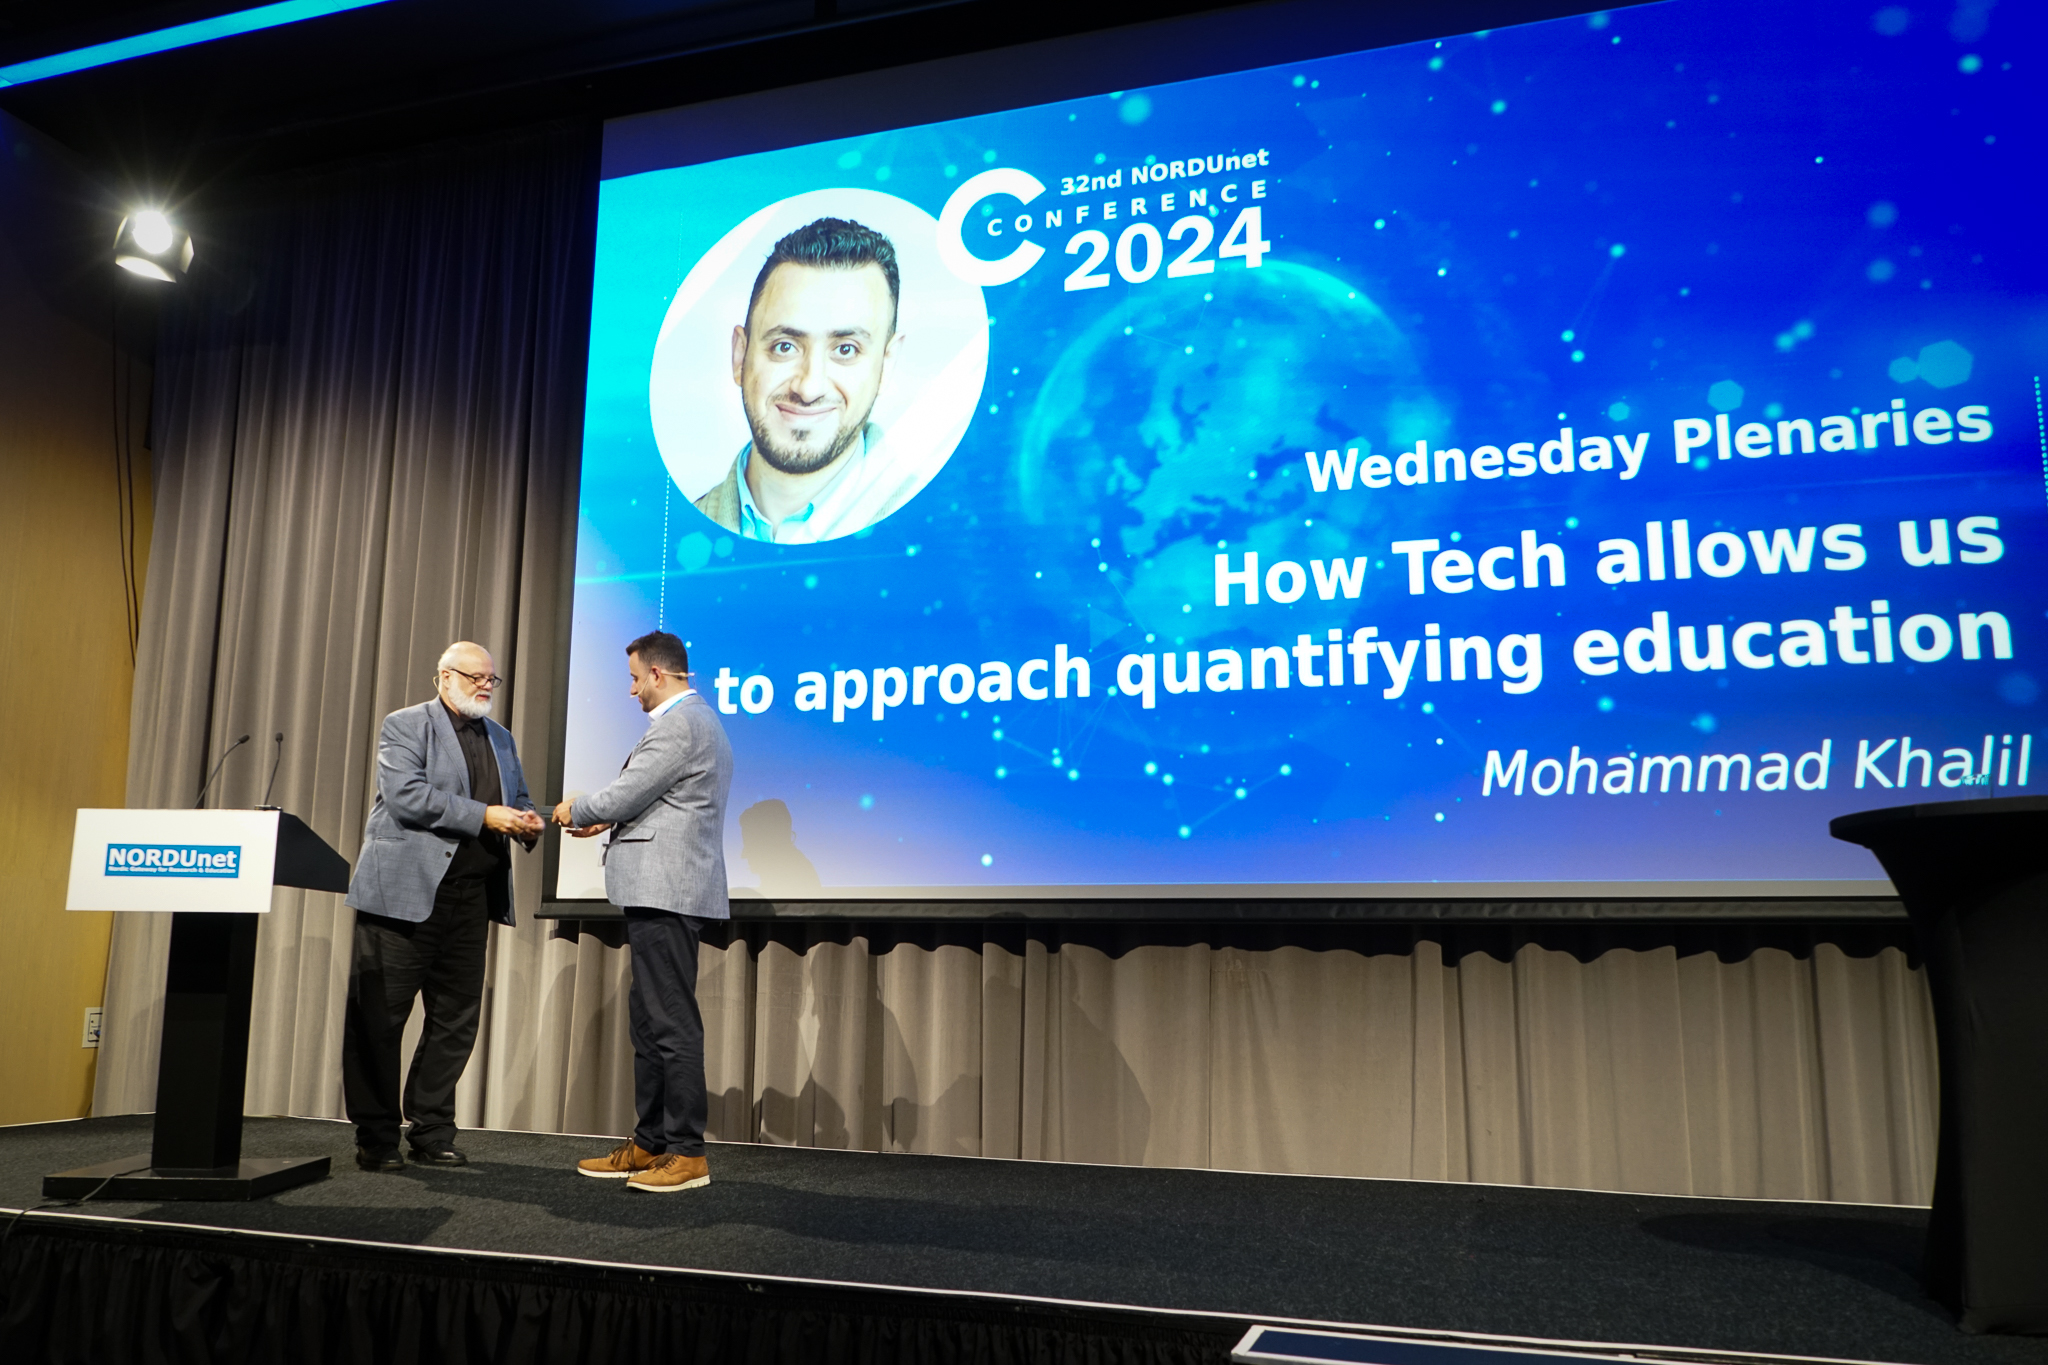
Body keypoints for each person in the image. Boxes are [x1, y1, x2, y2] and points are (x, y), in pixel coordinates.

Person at [342, 642, 544, 1171]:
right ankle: (376, 1138)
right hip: (403, 894)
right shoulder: (407, 724)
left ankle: (431, 1130)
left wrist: (526, 820)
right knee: (379, 1020)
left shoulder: (501, 738)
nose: (484, 686)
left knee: (455, 1021)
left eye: (491, 679)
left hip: (470, 897)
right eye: (474, 677)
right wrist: (485, 816)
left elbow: (517, 798)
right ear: (444, 677)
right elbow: (406, 796)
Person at [554, 630, 733, 1193]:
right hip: (658, 891)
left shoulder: (682, 724)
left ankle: (687, 1153)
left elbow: (629, 792)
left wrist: (576, 809)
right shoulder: (690, 723)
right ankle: (651, 1142)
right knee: (650, 1022)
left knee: (671, 1022)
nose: (631, 690)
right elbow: (658, 800)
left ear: (658, 673)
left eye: (635, 678)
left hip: (667, 891)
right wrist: (608, 820)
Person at [693, 217, 905, 544]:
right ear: (740, 356)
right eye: (785, 346)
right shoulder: (662, 538)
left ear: (886, 365)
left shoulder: (946, 538)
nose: (808, 388)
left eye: (845, 350)